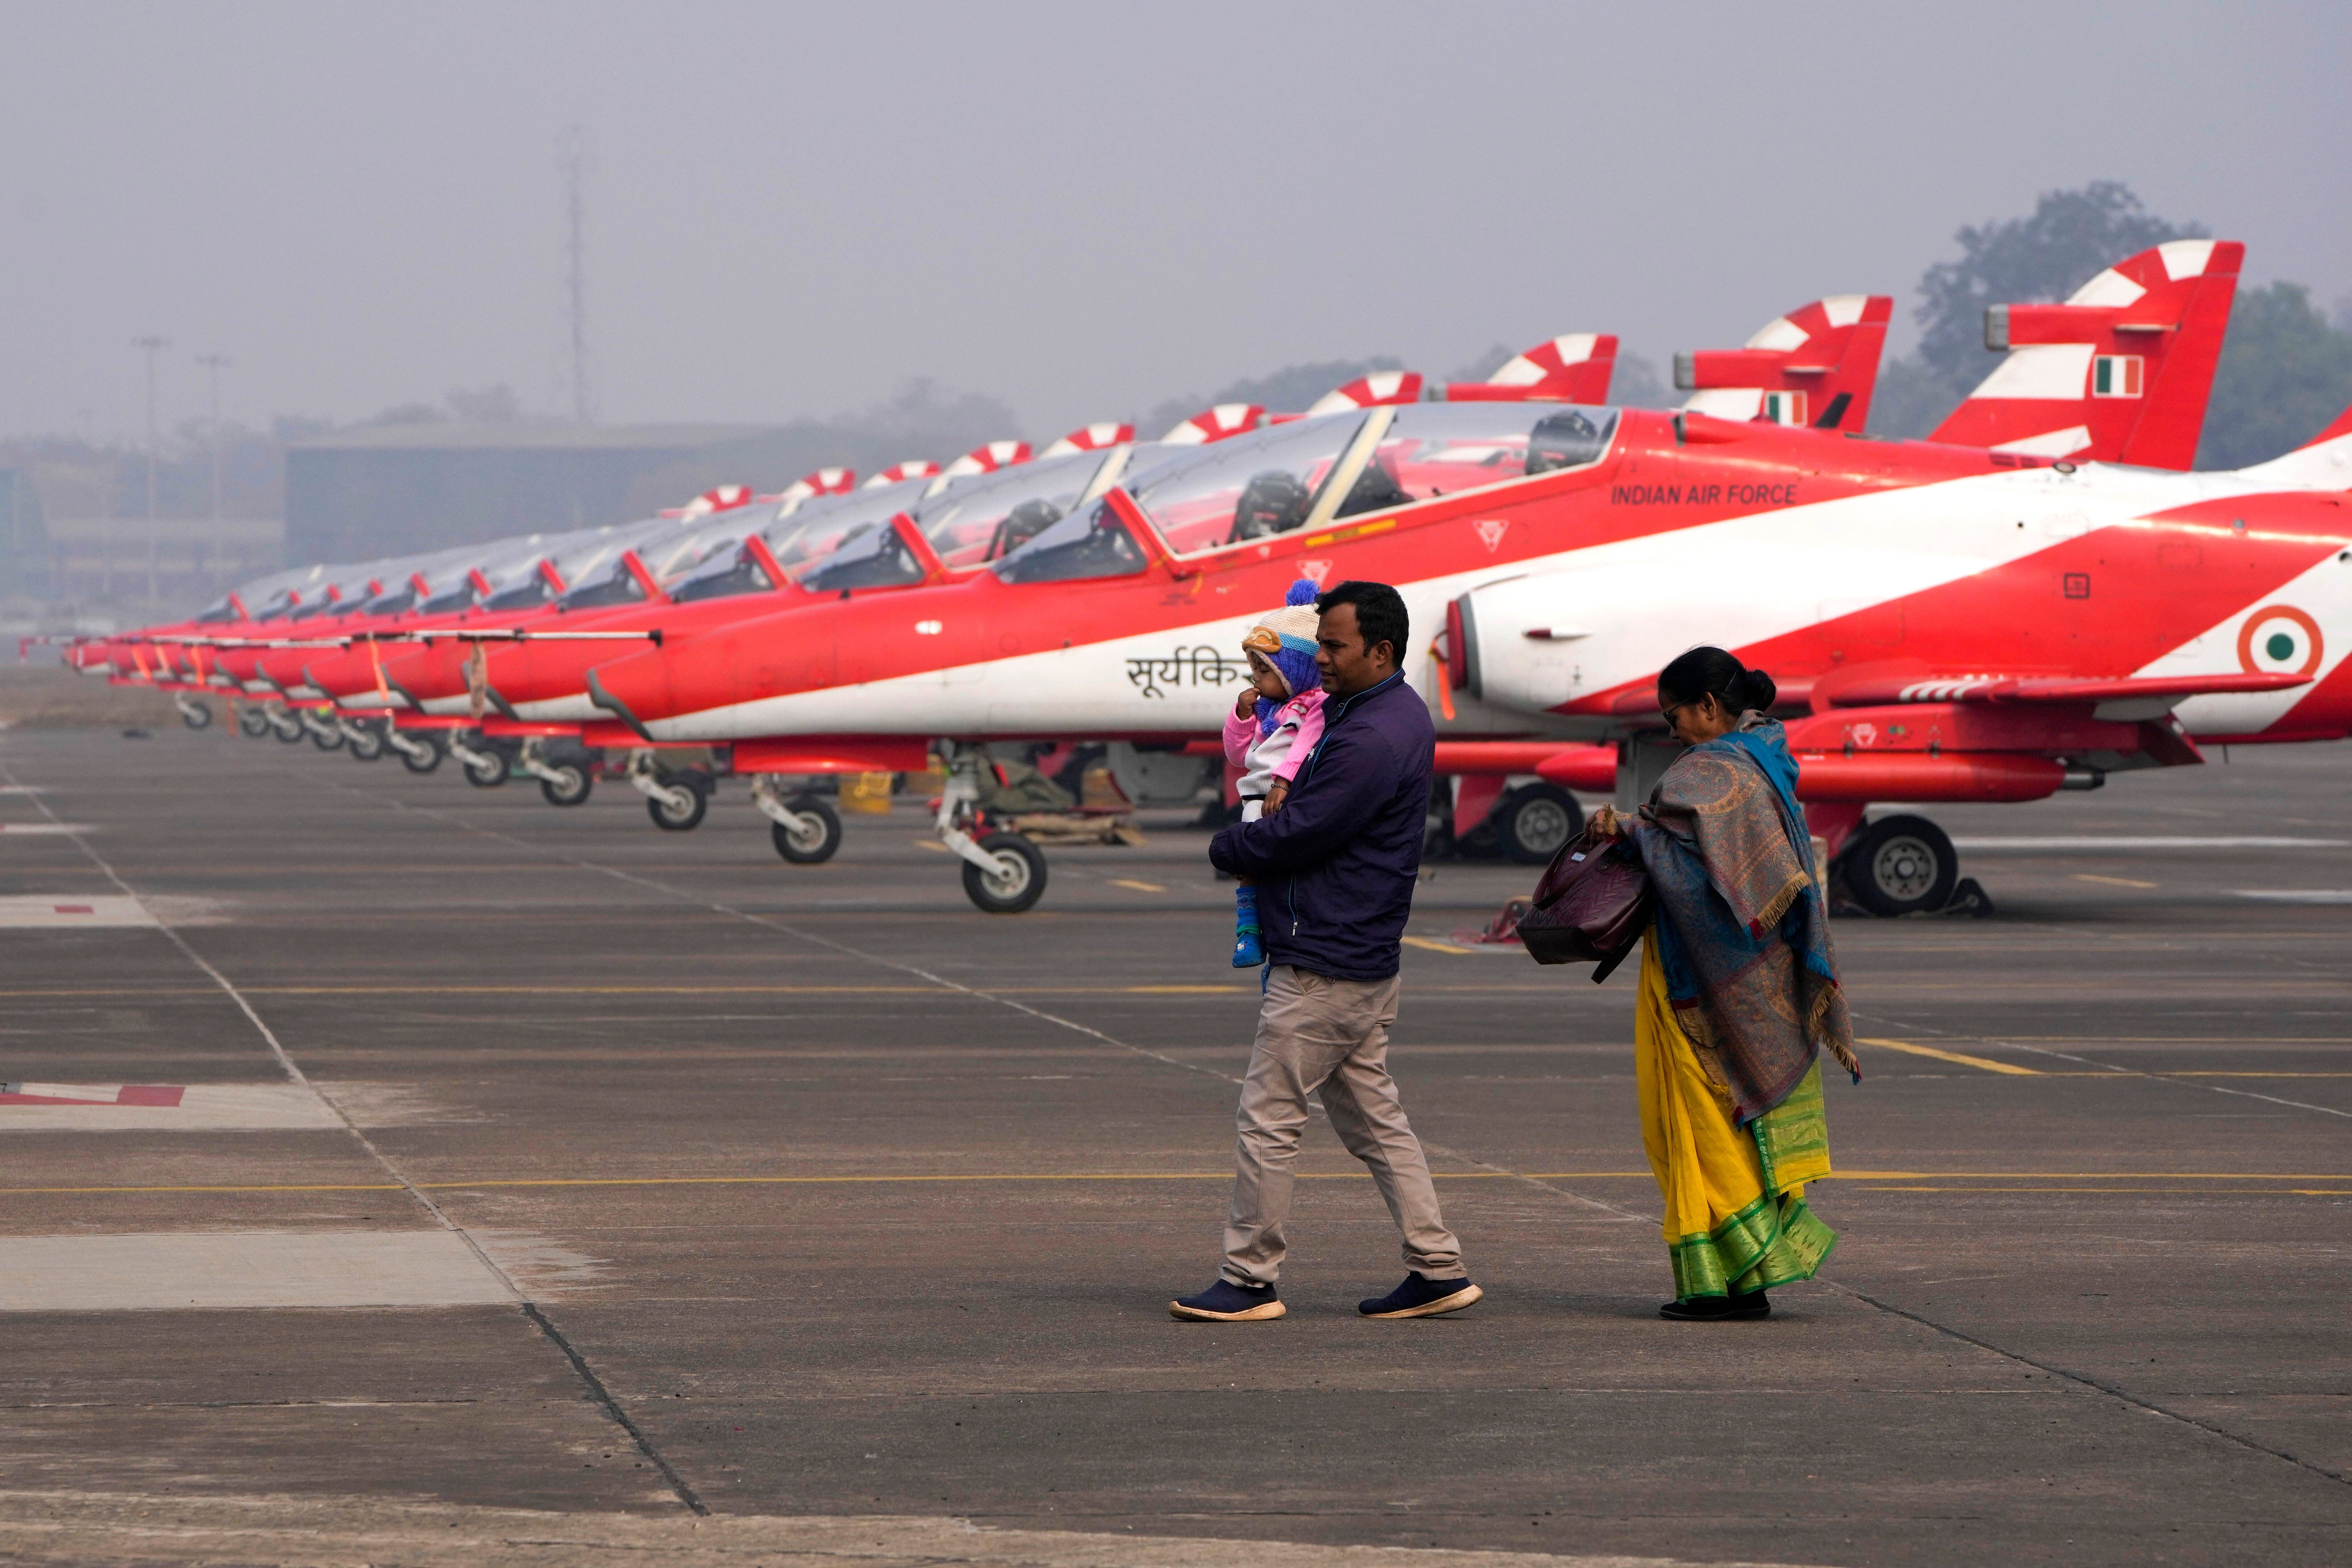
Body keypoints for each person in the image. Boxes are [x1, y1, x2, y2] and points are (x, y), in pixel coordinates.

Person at [1170, 580, 1479, 1323]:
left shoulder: (1372, 734)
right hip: (1356, 951)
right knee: (1374, 1118)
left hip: (1326, 958)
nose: (1322, 657)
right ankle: (1436, 1265)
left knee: (1268, 1116)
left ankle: (1248, 1277)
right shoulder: (1371, 712)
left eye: (1335, 646)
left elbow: (1300, 831)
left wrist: (1224, 844)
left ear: (1380, 650)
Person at [1591, 646, 1861, 1321]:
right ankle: (1747, 1275)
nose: (1672, 729)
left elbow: (1687, 865)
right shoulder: (1768, 755)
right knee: (1744, 1121)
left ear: (1708, 706)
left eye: (1674, 714)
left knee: (1700, 1119)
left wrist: (1626, 829)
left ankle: (1724, 1279)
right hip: (1760, 974)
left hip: (1702, 980)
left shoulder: (1707, 772)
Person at [1222, 580, 1329, 967]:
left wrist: (1283, 780)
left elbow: (1305, 746)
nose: (1254, 677)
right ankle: (1248, 933)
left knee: (1280, 882)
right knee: (1248, 873)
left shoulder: (1312, 706)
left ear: (1294, 671)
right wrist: (1242, 718)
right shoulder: (1268, 712)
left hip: (1282, 801)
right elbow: (1237, 754)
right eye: (1253, 667)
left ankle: (1276, 952)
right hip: (1256, 801)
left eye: (1263, 669)